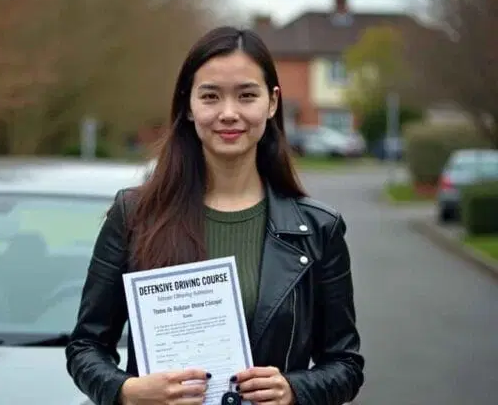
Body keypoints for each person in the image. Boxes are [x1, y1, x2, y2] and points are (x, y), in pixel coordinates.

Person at [65, 26, 364, 405]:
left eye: (246, 96)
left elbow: (345, 364)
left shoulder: (319, 229)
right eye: (210, 96)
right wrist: (127, 391)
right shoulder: (134, 215)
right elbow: (86, 346)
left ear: (271, 103)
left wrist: (294, 390)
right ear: (188, 105)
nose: (228, 113)